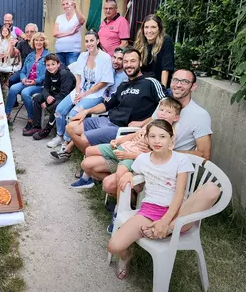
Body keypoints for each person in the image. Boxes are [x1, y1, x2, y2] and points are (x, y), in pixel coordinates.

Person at [107, 119, 195, 280]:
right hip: (150, 209)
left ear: (171, 139)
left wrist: (166, 220)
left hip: (175, 211)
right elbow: (136, 180)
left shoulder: (181, 160)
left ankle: (163, 229)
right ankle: (128, 256)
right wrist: (128, 174)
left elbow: (179, 195)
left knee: (207, 194)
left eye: (162, 136)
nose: (157, 141)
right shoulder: (143, 159)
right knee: (113, 246)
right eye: (152, 136)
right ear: (146, 138)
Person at [51, 49, 165, 160]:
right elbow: (106, 105)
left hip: (121, 127)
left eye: (132, 61)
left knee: (84, 138)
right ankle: (90, 158)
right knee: (70, 127)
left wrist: (144, 123)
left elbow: (165, 106)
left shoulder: (150, 82)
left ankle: (89, 162)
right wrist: (86, 111)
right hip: (108, 120)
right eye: (125, 62)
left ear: (140, 63)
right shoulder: (123, 85)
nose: (128, 65)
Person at [73, 97, 182, 189]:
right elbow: (133, 135)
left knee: (120, 174)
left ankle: (120, 205)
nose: (163, 114)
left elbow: (158, 155)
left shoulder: (168, 134)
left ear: (176, 117)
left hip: (133, 156)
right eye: (161, 110)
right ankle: (87, 179)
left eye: (168, 112)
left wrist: (129, 155)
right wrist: (118, 140)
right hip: (125, 147)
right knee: (89, 150)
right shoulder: (152, 123)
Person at [47, 30, 114, 149]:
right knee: (59, 109)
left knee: (73, 114)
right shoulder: (83, 56)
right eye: (87, 41)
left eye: (92, 40)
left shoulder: (106, 58)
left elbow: (104, 82)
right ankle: (59, 135)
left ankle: (67, 141)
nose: (89, 44)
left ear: (97, 41)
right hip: (81, 89)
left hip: (95, 94)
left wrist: (85, 94)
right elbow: (78, 76)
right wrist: (78, 92)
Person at [5, 32, 50, 131]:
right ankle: (7, 114)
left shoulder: (48, 56)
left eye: (41, 40)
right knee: (13, 88)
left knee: (25, 93)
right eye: (36, 40)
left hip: (39, 84)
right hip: (27, 81)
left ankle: (31, 119)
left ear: (44, 42)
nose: (38, 42)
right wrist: (23, 78)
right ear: (33, 42)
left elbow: (47, 74)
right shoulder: (30, 55)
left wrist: (35, 81)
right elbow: (23, 71)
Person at [27, 54, 76, 139]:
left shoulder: (64, 73)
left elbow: (64, 94)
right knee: (37, 98)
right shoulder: (48, 71)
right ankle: (36, 127)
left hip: (68, 96)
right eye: (48, 65)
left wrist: (48, 102)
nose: (51, 67)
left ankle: (47, 130)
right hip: (57, 93)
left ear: (58, 64)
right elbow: (45, 87)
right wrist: (47, 97)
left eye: (53, 64)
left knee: (56, 105)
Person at [134, 14, 175, 89]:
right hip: (142, 83)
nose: (149, 31)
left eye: (153, 27)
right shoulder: (140, 41)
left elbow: (165, 69)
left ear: (159, 29)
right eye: (146, 27)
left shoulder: (166, 41)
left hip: (158, 83)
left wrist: (163, 90)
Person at [53, 0, 86, 66]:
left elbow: (82, 21)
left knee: (72, 72)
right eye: (63, 4)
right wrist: (70, 32)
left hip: (73, 51)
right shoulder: (59, 18)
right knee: (61, 73)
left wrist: (76, 7)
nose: (65, 6)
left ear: (73, 4)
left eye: (67, 3)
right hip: (59, 51)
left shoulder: (77, 16)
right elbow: (55, 33)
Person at [8, 23, 37, 106]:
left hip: (35, 72)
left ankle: (27, 98)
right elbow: (13, 55)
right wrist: (12, 47)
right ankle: (14, 102)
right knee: (12, 80)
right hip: (24, 71)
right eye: (27, 32)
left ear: (36, 33)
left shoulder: (39, 43)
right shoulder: (22, 43)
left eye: (32, 31)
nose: (29, 33)